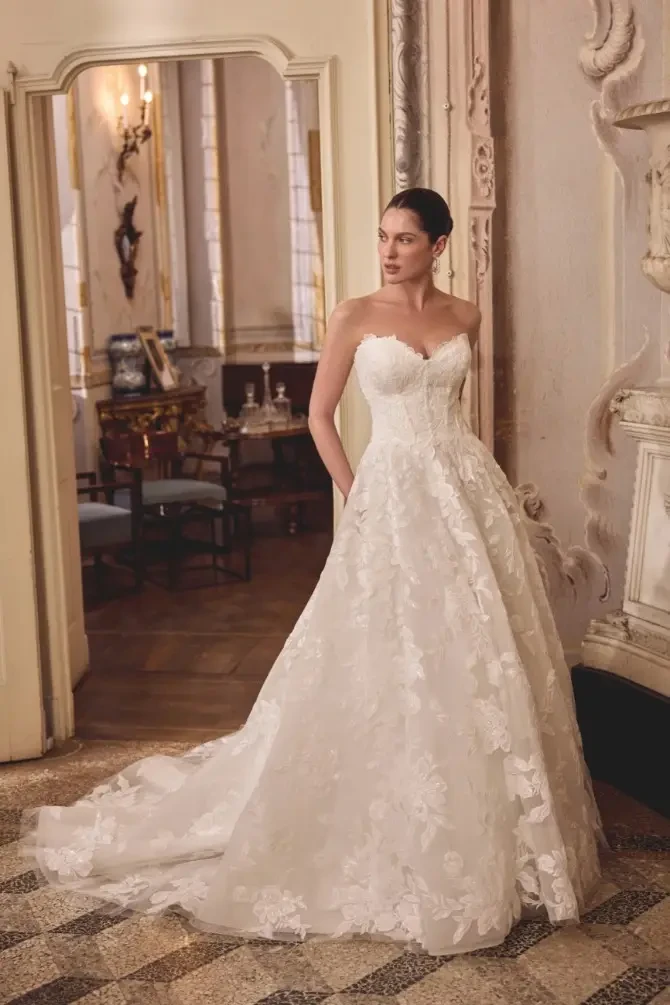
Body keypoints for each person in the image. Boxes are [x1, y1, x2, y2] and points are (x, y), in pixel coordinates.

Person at [21, 187, 602, 957]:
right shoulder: (355, 316)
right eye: (383, 236)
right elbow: (320, 416)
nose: (389, 250)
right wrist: (361, 491)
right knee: (384, 650)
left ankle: (499, 834)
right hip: (390, 492)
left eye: (404, 238)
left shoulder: (466, 316)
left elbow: (460, 414)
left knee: (478, 653)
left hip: (465, 490)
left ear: (438, 244)